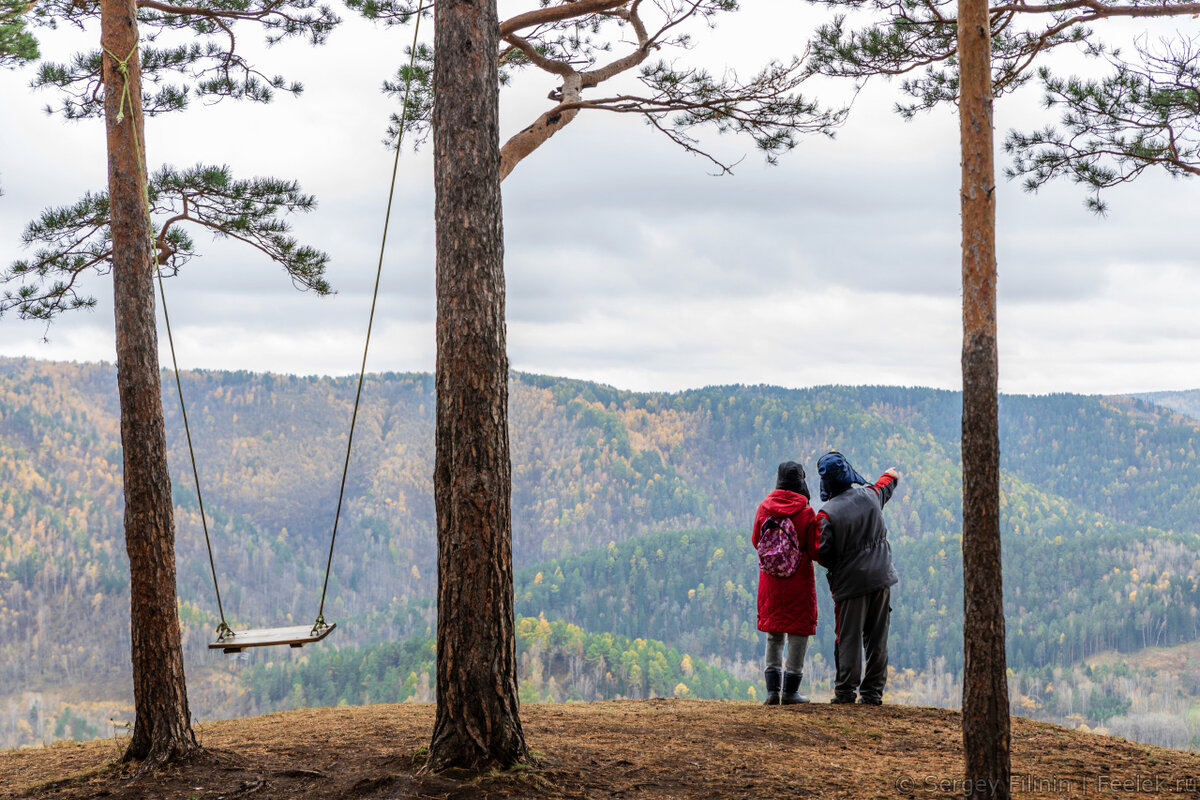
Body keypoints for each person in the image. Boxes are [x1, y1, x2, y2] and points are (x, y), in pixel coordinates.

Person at [815, 451, 900, 706]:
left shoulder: (827, 515)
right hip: (882, 578)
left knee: (848, 638)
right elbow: (887, 482)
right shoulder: (871, 496)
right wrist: (891, 473)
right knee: (877, 639)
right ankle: (872, 693)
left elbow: (822, 553)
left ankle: (845, 693)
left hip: (850, 585)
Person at [752, 460, 821, 705]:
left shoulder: (764, 508)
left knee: (774, 632)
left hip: (770, 581)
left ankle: (772, 691)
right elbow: (815, 549)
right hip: (798, 581)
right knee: (798, 633)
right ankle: (790, 692)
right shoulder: (806, 512)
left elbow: (755, 541)